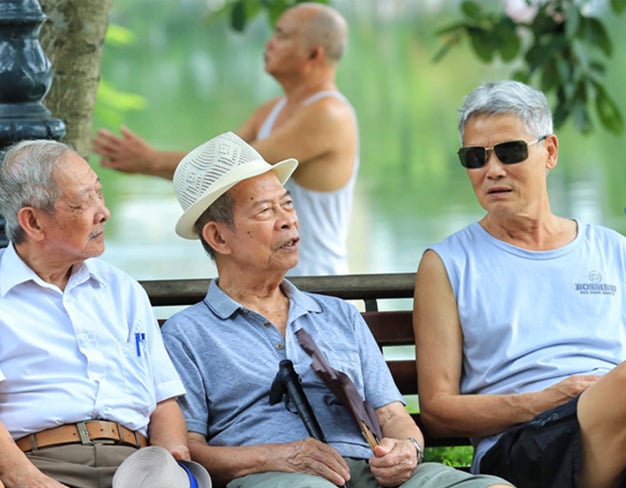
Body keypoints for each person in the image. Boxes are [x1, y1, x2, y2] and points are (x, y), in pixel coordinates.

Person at [160, 131, 513, 488]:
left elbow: (392, 413)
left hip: (371, 471)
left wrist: (406, 449)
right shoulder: (187, 334)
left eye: (287, 203)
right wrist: (277, 456)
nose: (288, 220)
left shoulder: (338, 315)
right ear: (218, 237)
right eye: (266, 210)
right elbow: (189, 449)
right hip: (276, 478)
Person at [413, 80, 626, 488]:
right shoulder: (448, 264)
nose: (492, 170)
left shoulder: (613, 250)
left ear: (549, 152)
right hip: (519, 446)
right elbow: (437, 410)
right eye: (475, 157)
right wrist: (545, 400)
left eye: (509, 152)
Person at [0, 140, 192, 487]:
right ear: (33, 222)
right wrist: (30, 480)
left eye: (99, 194)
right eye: (82, 202)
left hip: (135, 467)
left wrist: (168, 466)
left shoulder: (123, 290)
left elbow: (163, 403)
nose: (103, 212)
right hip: (42, 463)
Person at [92, 2, 358, 277]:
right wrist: (147, 163)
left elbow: (232, 171)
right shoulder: (271, 110)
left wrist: (149, 161)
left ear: (314, 54)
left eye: (281, 36)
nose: (269, 43)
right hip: (270, 281)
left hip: (319, 283)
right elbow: (215, 162)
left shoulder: (329, 113)